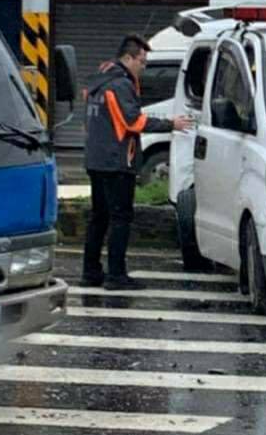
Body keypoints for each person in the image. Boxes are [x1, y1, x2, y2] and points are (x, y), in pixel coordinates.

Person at [82, 35, 192, 290]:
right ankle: (116, 275)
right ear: (128, 58)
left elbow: (89, 123)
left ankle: (91, 271)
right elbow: (134, 122)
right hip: (117, 161)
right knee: (120, 218)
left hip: (96, 159)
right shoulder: (119, 85)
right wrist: (170, 124)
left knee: (99, 217)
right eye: (141, 61)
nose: (143, 67)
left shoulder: (98, 81)